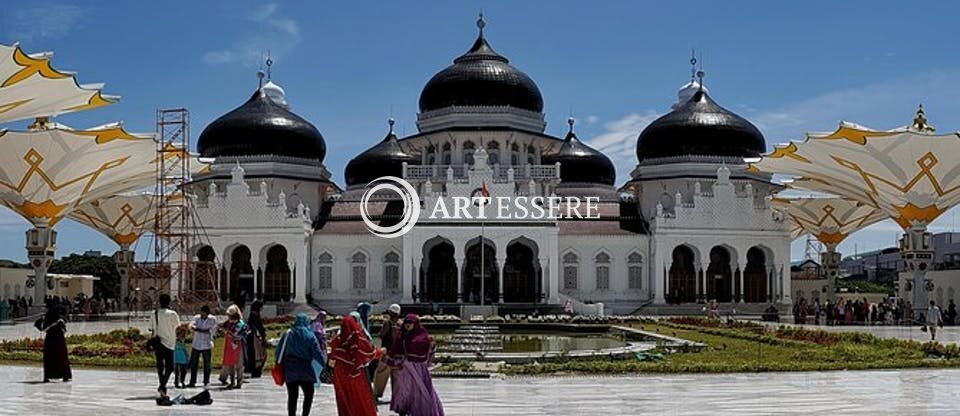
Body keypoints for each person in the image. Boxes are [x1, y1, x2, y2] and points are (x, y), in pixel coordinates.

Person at [388, 314, 444, 416]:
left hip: (419, 368)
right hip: (406, 367)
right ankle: (403, 409)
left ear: (415, 324)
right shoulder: (403, 335)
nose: (408, 325)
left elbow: (430, 349)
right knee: (405, 389)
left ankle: (422, 410)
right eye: (407, 323)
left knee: (420, 389)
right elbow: (396, 349)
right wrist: (394, 361)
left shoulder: (422, 336)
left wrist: (431, 346)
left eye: (411, 323)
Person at [329, 315, 381, 416]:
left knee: (344, 400)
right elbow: (367, 353)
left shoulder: (337, 340)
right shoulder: (356, 338)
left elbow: (332, 354)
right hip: (354, 375)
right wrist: (380, 352)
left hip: (340, 375)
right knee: (359, 399)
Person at [276, 313, 326, 416]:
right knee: (308, 394)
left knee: (292, 396)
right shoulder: (310, 335)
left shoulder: (287, 334)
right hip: (305, 369)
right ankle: (305, 414)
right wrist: (324, 365)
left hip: (290, 369)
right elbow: (317, 353)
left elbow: (278, 351)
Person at [150, 294, 180, 397]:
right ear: (169, 302)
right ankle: (163, 385)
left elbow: (151, 328)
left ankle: (162, 385)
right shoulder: (173, 314)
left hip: (158, 342)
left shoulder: (154, 313)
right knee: (170, 367)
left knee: (160, 366)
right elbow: (177, 326)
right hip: (169, 343)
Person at [374, 304, 402, 402]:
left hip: (387, 354)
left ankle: (377, 393)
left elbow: (381, 335)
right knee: (396, 375)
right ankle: (397, 395)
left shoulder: (387, 323)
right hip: (398, 355)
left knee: (381, 374)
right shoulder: (401, 324)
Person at [36, 304, 72, 383]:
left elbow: (42, 328)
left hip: (49, 340)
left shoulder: (48, 318)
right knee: (61, 357)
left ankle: (47, 377)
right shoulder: (59, 319)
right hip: (59, 340)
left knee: (49, 358)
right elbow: (64, 330)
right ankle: (65, 376)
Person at [220, 304, 249, 389]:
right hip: (229, 345)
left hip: (238, 346)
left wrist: (230, 332)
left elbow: (240, 334)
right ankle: (232, 382)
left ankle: (239, 382)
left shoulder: (241, 324)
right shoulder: (229, 323)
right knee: (230, 364)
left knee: (239, 365)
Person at [187, 305, 217, 387]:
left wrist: (198, 329)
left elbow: (210, 330)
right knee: (194, 364)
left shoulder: (212, 319)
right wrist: (196, 328)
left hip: (206, 345)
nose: (203, 315)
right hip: (196, 344)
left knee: (207, 364)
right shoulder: (196, 318)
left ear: (207, 313)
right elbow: (191, 326)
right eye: (202, 313)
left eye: (204, 314)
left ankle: (206, 381)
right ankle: (192, 381)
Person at [245, 300, 268, 378]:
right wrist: (262, 335)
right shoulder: (254, 314)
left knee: (254, 354)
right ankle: (255, 371)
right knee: (257, 354)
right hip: (254, 337)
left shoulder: (254, 313)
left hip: (252, 337)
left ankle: (254, 370)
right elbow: (258, 326)